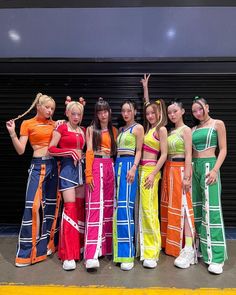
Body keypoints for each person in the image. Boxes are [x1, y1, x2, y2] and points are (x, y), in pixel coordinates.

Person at [6, 93, 61, 267]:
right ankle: (26, 253)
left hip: (54, 165)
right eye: (47, 107)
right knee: (32, 206)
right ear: (39, 106)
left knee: (52, 206)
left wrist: (62, 125)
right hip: (37, 166)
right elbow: (21, 150)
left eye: (52, 108)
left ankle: (47, 246)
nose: (50, 111)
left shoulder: (55, 124)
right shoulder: (27, 123)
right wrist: (12, 133)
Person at [48, 96, 86, 271]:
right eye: (73, 113)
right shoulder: (62, 127)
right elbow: (51, 148)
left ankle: (79, 248)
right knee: (70, 209)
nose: (76, 117)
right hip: (67, 172)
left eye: (79, 114)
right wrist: (69, 151)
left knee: (79, 208)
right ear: (67, 113)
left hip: (81, 172)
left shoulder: (84, 130)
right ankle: (68, 254)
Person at [191, 96, 227, 275]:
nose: (197, 113)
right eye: (194, 111)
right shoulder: (193, 128)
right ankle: (203, 250)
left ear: (207, 107)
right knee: (197, 211)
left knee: (212, 210)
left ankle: (217, 257)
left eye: (200, 109)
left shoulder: (217, 124)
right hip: (195, 169)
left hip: (209, 167)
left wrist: (214, 170)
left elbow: (224, 149)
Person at [161, 98, 197, 269]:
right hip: (169, 170)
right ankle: (176, 245)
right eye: (169, 112)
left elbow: (189, 155)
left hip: (181, 170)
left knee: (184, 208)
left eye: (175, 111)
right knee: (172, 208)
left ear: (182, 111)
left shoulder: (186, 130)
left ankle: (189, 248)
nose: (172, 114)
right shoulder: (168, 132)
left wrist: (187, 177)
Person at [84, 97, 117, 269]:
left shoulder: (114, 131)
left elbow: (115, 154)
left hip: (110, 167)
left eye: (105, 111)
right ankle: (91, 253)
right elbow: (89, 151)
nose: (103, 114)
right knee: (94, 207)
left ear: (109, 112)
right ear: (96, 114)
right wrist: (88, 173)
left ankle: (105, 248)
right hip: (95, 167)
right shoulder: (91, 129)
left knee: (108, 208)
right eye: (99, 111)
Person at [139, 74, 168, 268]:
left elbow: (164, 154)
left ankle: (152, 251)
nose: (150, 115)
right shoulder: (149, 128)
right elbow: (147, 104)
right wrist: (146, 88)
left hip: (151, 171)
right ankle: (145, 248)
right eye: (147, 113)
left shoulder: (161, 130)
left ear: (159, 113)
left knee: (150, 210)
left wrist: (152, 173)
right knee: (144, 210)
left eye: (153, 113)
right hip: (141, 170)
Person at [113, 99, 144, 271]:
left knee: (126, 208)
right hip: (117, 165)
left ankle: (128, 254)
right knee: (119, 208)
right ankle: (119, 252)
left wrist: (133, 167)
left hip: (129, 166)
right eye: (123, 110)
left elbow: (139, 150)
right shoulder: (121, 129)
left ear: (135, 111)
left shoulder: (137, 128)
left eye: (129, 110)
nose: (126, 113)